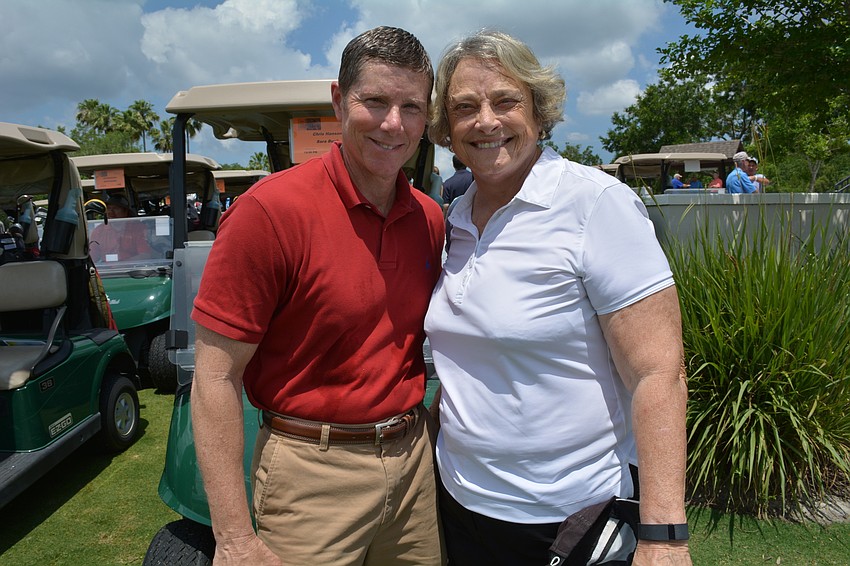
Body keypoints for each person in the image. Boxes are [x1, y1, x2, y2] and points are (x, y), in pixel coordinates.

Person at [425, 30, 691, 565]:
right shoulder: (454, 220)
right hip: (459, 504)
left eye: (506, 101)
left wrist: (664, 536)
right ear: (446, 129)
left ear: (539, 112)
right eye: (465, 107)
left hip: (569, 518)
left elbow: (658, 374)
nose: (486, 121)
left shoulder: (595, 205)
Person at [190, 26, 445, 566]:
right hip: (311, 473)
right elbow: (214, 377)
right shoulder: (269, 213)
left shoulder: (430, 219)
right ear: (338, 100)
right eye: (375, 101)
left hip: (414, 466)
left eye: (411, 107)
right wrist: (233, 539)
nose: (394, 124)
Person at [88, 194, 154, 262]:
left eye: (115, 208)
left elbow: (145, 255)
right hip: (107, 268)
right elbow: (92, 257)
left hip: (132, 268)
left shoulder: (138, 228)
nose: (111, 212)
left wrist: (123, 264)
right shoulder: (99, 231)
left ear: (125, 211)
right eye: (108, 208)